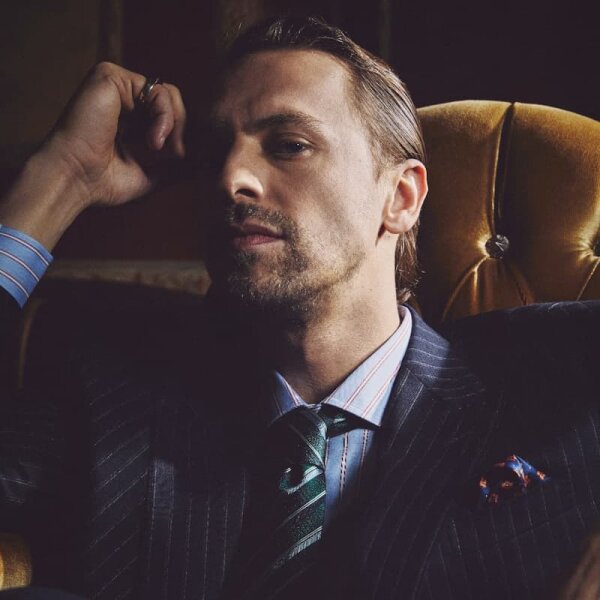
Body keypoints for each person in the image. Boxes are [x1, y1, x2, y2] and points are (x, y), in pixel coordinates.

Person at [0, 16, 598, 600]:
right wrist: (61, 177)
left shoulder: (566, 375)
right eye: (214, 153)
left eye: (289, 145)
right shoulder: (112, 388)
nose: (231, 177)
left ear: (401, 197)